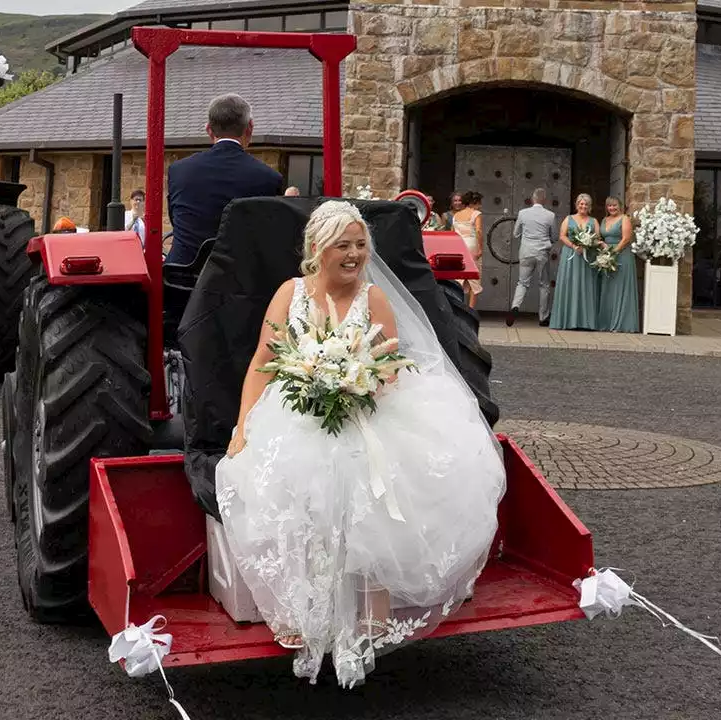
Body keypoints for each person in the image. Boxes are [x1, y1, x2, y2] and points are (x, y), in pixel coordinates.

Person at [215, 200, 505, 688]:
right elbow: (264, 360)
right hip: (300, 412)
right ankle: (305, 606)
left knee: (371, 482)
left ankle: (372, 606)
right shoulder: (291, 295)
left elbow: (391, 367)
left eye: (360, 244)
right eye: (342, 246)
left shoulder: (375, 300)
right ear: (317, 249)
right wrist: (243, 424)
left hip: (368, 410)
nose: (354, 254)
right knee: (288, 478)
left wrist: (359, 382)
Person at [165, 93, 283, 266]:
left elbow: (176, 220)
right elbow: (270, 234)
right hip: (239, 282)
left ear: (208, 130)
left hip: (181, 279)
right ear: (249, 128)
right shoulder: (269, 178)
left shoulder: (178, 171)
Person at [550, 193, 601, 331]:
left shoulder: (593, 221)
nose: (583, 206)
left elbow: (597, 238)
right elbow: (562, 236)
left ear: (589, 206)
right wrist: (574, 246)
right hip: (571, 256)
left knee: (586, 286)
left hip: (587, 257)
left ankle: (586, 322)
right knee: (569, 284)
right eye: (581, 203)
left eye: (586, 204)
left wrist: (589, 244)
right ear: (577, 205)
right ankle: (567, 321)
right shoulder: (569, 219)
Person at [507, 187, 557, 327]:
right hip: (542, 253)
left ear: (533, 199)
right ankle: (543, 317)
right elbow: (555, 236)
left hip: (526, 251)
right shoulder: (550, 215)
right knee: (544, 284)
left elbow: (516, 233)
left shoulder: (523, 213)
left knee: (522, 282)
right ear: (544, 200)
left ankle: (515, 307)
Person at [596, 196, 639, 333]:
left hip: (621, 256)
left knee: (620, 287)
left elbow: (626, 239)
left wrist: (612, 251)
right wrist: (603, 247)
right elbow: (601, 237)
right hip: (607, 256)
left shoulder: (624, 219)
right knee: (608, 287)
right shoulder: (604, 220)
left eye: (614, 205)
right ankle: (607, 322)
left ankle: (622, 323)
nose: (612, 208)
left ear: (620, 206)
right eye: (609, 206)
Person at [451, 191, 484, 307]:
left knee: (459, 278)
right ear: (475, 202)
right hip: (471, 245)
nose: (480, 206)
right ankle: (471, 310)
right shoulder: (476, 214)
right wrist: (481, 248)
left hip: (458, 246)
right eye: (479, 203)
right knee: (474, 279)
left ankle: (458, 307)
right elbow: (479, 231)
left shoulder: (456, 215)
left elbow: (452, 232)